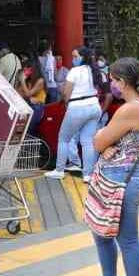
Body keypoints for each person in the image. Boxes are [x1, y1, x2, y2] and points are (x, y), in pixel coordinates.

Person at [86, 58, 139, 276]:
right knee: (101, 233)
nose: (110, 84)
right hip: (122, 181)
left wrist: (105, 145)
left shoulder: (130, 109)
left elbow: (97, 142)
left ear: (122, 82)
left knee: (127, 241)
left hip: (124, 185)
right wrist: (107, 145)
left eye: (113, 80)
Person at [45, 46, 104, 181]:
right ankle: (88, 175)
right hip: (94, 107)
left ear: (84, 57)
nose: (73, 59)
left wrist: (66, 102)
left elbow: (66, 92)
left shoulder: (75, 71)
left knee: (63, 139)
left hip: (77, 107)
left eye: (76, 56)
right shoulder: (94, 70)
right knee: (87, 142)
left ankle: (59, 170)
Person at [18, 57, 47, 134]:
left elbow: (28, 94)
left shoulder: (40, 81)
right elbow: (19, 94)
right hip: (27, 105)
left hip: (37, 108)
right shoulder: (28, 80)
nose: (25, 71)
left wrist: (22, 81)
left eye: (27, 68)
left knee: (28, 130)